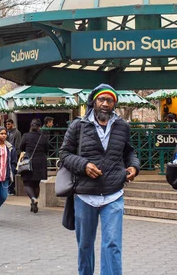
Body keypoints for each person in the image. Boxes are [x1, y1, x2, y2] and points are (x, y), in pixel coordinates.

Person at [59, 84, 139, 275]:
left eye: (109, 100)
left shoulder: (122, 126)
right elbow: (64, 154)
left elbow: (129, 152)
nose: (105, 104)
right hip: (85, 195)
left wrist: (134, 166)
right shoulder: (78, 125)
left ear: (114, 104)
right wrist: (83, 165)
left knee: (112, 245)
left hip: (113, 193)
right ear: (94, 102)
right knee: (85, 245)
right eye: (101, 99)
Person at [19, 118, 48, 213]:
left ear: (31, 126)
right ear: (39, 127)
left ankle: (33, 198)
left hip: (29, 161)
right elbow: (47, 149)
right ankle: (34, 202)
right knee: (36, 183)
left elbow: (21, 147)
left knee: (27, 182)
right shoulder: (43, 136)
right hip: (41, 161)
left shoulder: (26, 136)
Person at [5, 119, 22, 195]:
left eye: (9, 124)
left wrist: (16, 155)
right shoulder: (7, 133)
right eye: (6, 124)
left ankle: (11, 189)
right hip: (7, 155)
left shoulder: (17, 133)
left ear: (12, 124)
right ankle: (9, 188)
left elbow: (17, 145)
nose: (7, 126)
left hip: (13, 155)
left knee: (12, 172)